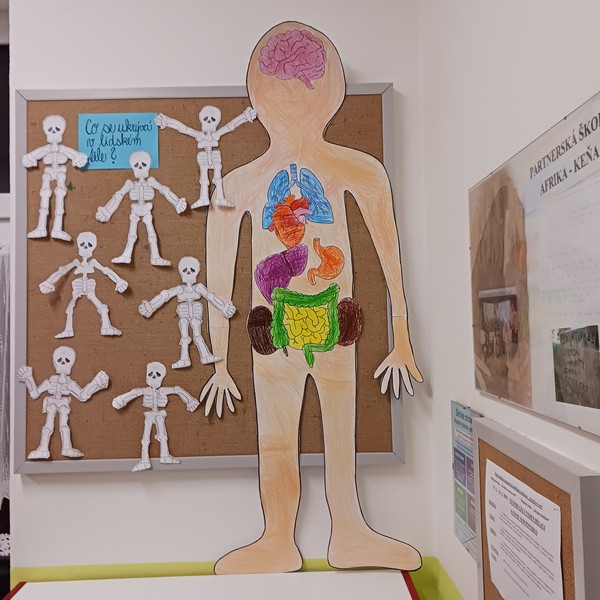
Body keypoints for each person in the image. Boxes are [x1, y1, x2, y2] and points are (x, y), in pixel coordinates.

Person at [200, 22, 423, 575]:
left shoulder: (358, 170)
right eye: (283, 99)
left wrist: (401, 337)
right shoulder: (238, 185)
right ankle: (277, 536)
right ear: (259, 102)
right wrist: (218, 361)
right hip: (271, 327)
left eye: (304, 96)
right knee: (275, 437)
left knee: (339, 428)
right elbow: (217, 278)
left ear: (330, 98)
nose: (293, 114)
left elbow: (388, 252)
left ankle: (349, 531)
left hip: (334, 321)